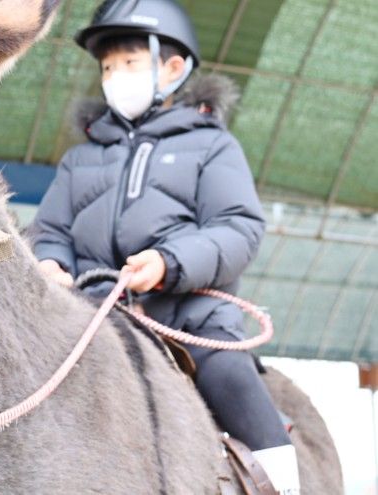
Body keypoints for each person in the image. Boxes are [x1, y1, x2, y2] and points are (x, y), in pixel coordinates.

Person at [31, 1, 299, 493]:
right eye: (108, 66)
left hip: (191, 328)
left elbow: (238, 228)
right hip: (92, 323)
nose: (114, 76)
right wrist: (51, 262)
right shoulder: (80, 159)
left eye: (129, 63)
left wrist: (168, 264)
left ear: (173, 68)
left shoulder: (214, 146)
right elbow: (51, 231)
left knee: (239, 389)